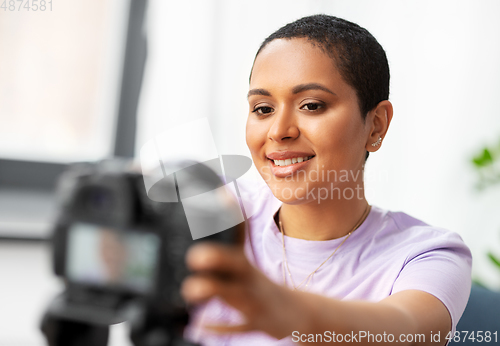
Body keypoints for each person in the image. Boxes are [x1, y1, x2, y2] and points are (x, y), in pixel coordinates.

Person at [181, 14, 472, 345]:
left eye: (311, 105)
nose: (279, 131)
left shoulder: (427, 254)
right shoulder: (218, 209)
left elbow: (408, 327)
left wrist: (291, 312)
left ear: (376, 125)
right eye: (263, 109)